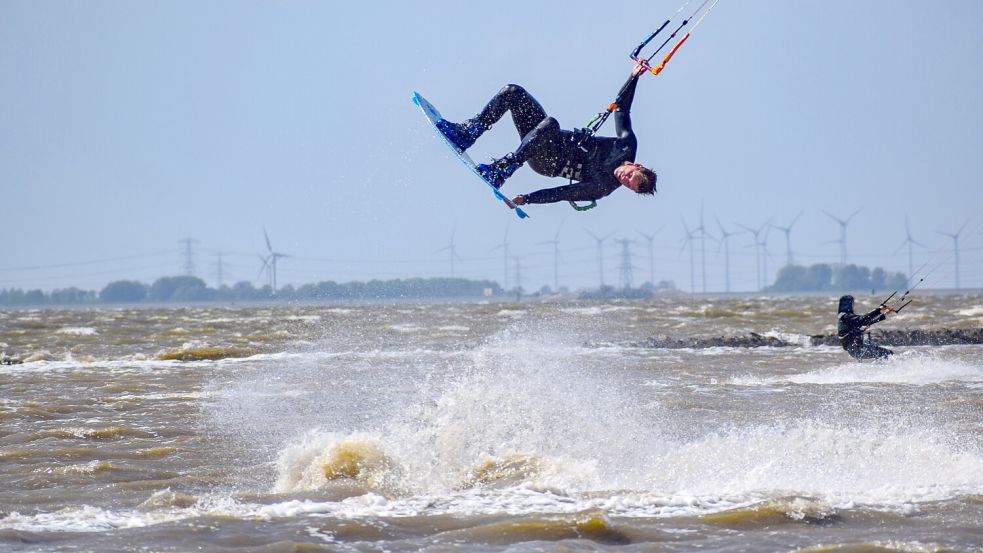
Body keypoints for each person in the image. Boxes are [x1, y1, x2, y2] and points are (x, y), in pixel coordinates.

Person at [435, 62, 657, 208]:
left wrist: (528, 199)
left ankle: (502, 170)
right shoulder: (626, 146)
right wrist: (633, 77)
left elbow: (561, 193)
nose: (623, 179)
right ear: (636, 165)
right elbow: (622, 110)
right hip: (543, 136)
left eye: (627, 184)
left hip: (547, 163)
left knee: (551, 124)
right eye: (630, 176)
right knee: (513, 92)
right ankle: (468, 133)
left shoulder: (601, 187)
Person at [836, 295, 896, 360]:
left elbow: (867, 321)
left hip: (856, 349)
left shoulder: (844, 316)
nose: (853, 305)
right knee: (888, 353)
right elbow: (863, 319)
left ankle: (878, 369)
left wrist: (884, 313)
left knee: (884, 354)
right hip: (857, 350)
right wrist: (879, 309)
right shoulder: (846, 316)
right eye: (852, 303)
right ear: (847, 303)